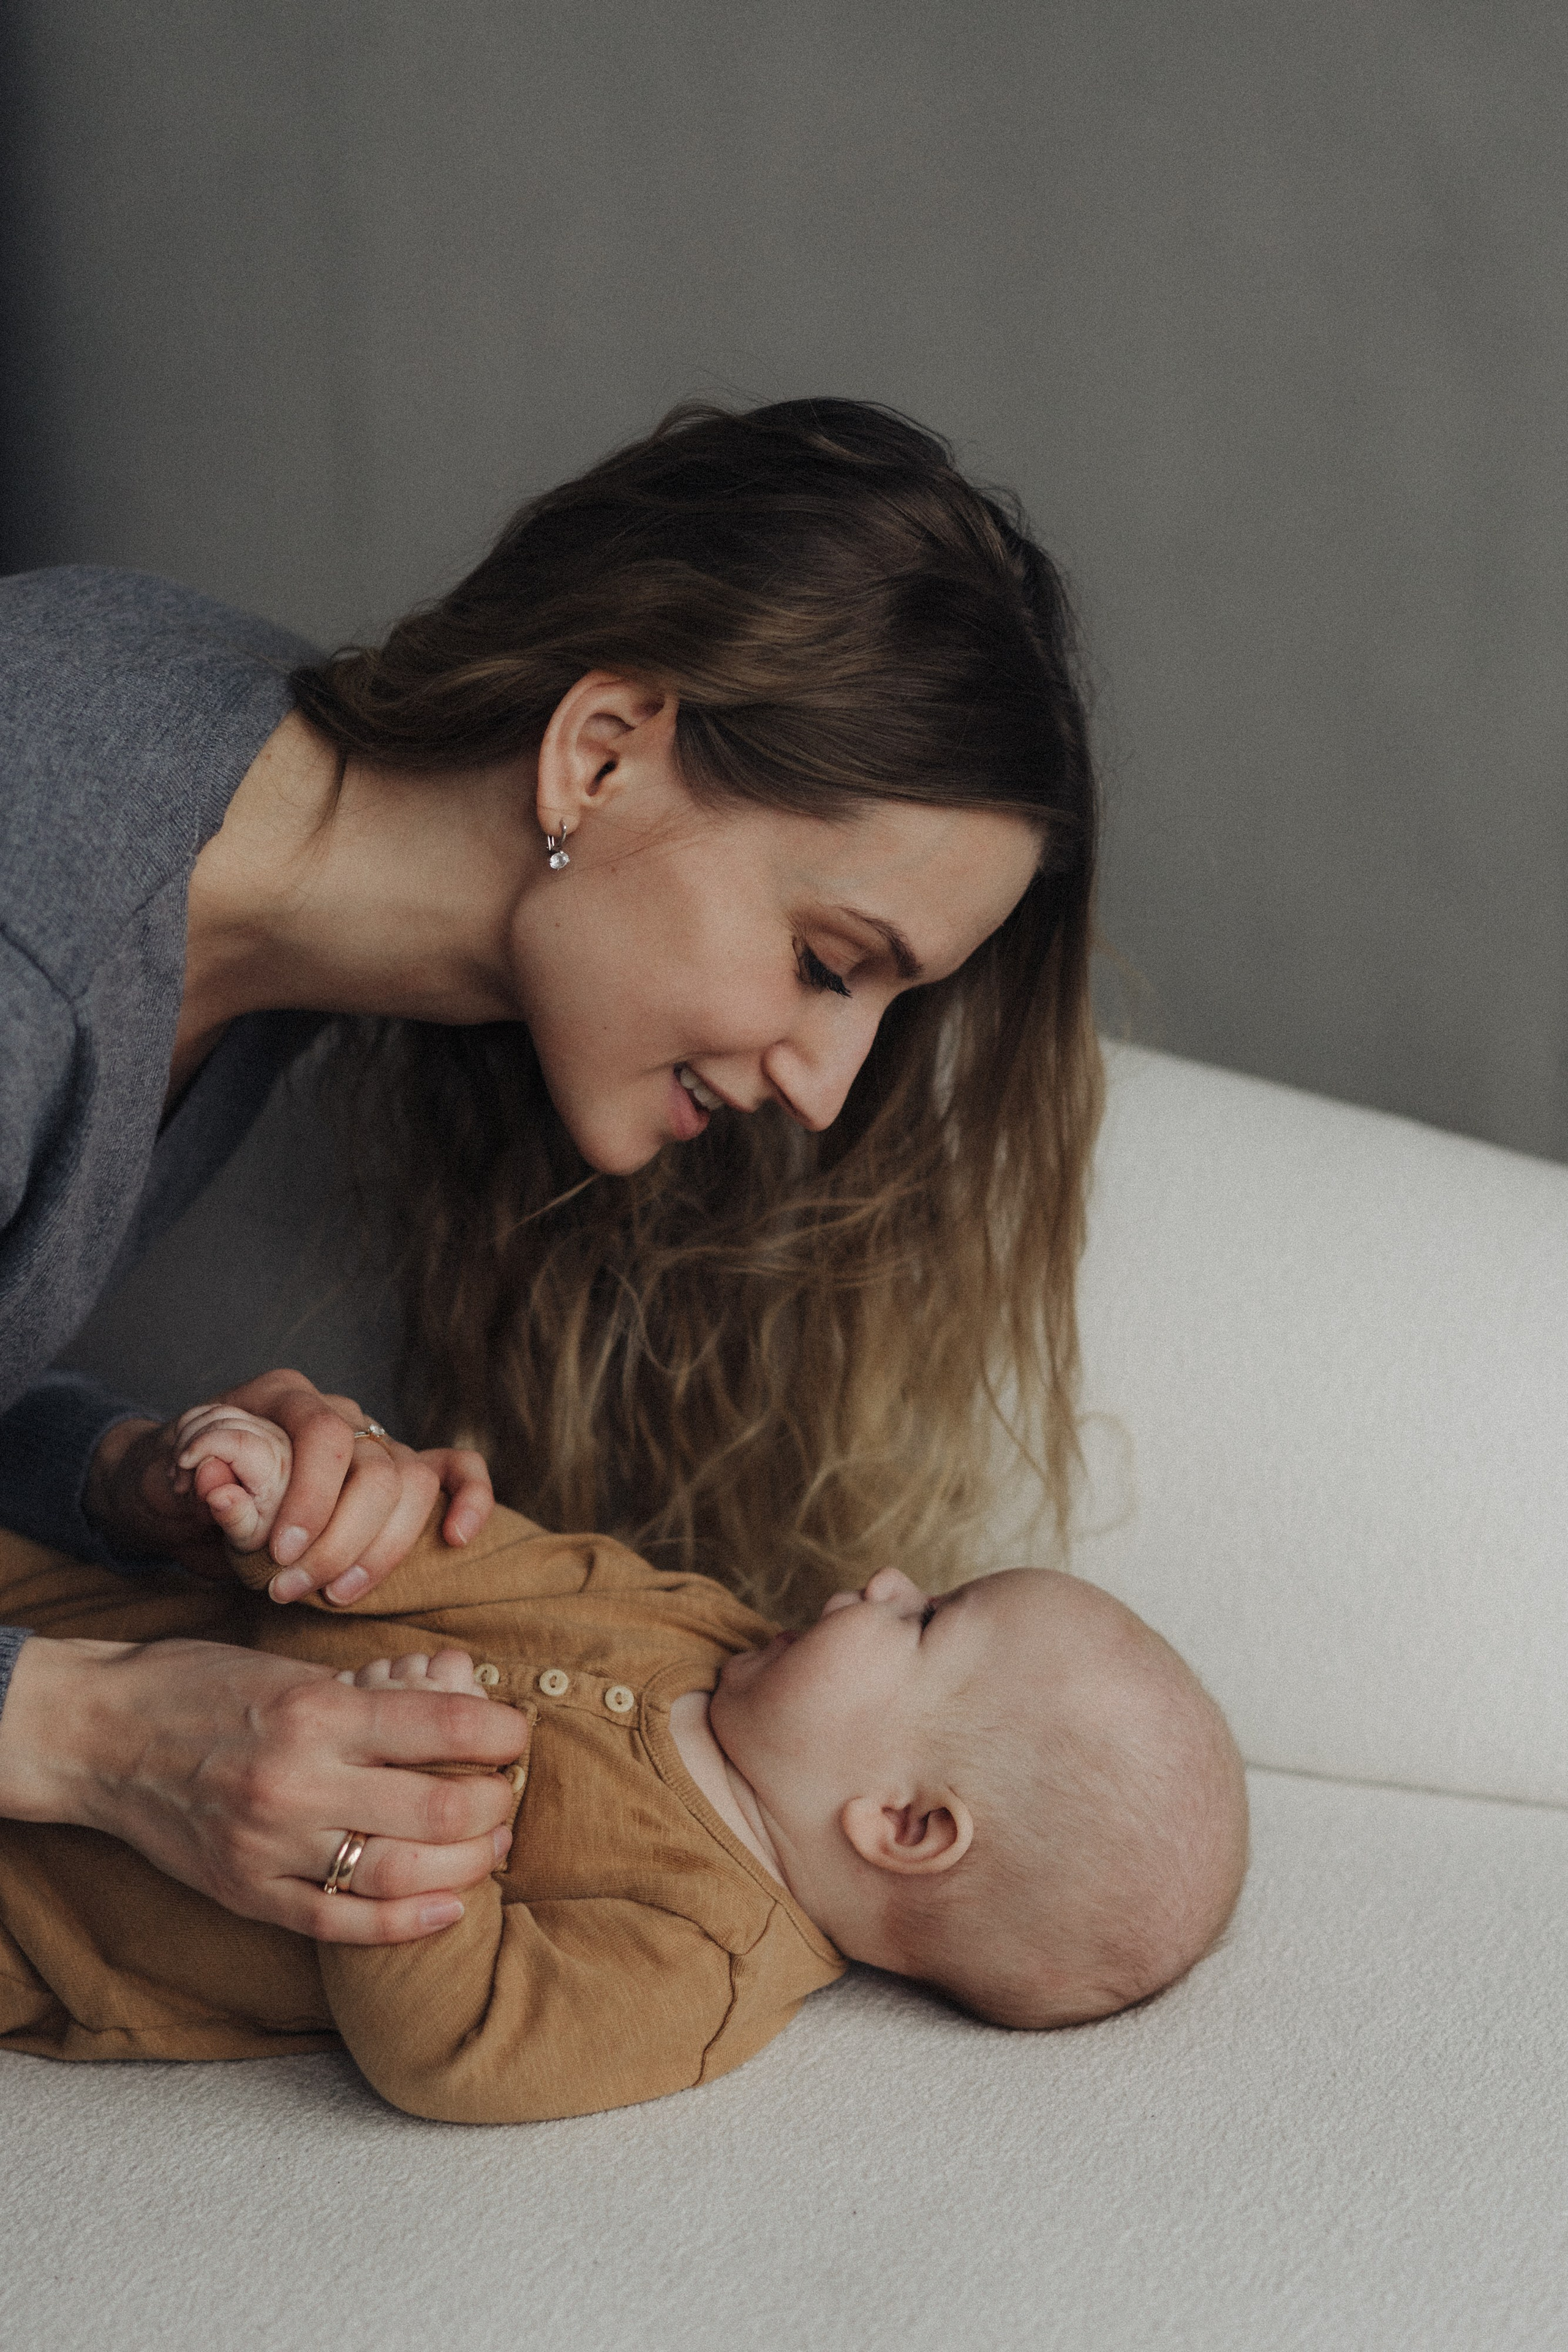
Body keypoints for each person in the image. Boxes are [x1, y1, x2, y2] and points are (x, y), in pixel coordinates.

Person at [0, 397, 1101, 1948]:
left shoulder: (226, 845)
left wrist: (128, 1482)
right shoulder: (39, 934)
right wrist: (90, 1732)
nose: (825, 1085)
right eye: (821, 960)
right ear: (598, 755)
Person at [0, 1404, 1246, 2120]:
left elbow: (460, 2052)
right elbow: (483, 1558)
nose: (882, 1580)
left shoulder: (699, 1965)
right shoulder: (698, 1625)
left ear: (904, 1825)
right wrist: (293, 1505)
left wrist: (429, 1830)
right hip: (75, 1614)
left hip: (53, 1924)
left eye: (926, 1619)